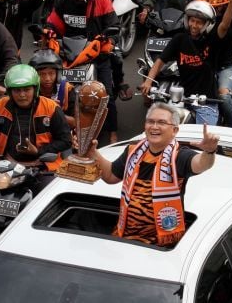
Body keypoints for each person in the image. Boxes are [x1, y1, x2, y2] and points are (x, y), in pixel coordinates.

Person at [0, 64, 71, 266]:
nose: (22, 94)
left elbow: (65, 141)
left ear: (35, 89)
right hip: (8, 166)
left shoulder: (51, 108)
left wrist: (38, 152)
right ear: (10, 91)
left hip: (40, 167)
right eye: (17, 90)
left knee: (44, 209)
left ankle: (41, 251)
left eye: (26, 89)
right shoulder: (0, 106)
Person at [87, 103, 219, 247]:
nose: (154, 126)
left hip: (158, 246)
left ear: (174, 130)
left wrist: (209, 151)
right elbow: (111, 176)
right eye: (150, 121)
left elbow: (201, 164)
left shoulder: (179, 156)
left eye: (161, 122)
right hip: (123, 237)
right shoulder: (133, 151)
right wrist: (93, 152)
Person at [46, 0, 121, 143]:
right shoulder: (62, 2)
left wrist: (107, 38)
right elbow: (53, 23)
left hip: (97, 54)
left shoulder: (102, 1)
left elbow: (114, 26)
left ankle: (112, 132)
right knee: (56, 90)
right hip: (69, 55)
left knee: (106, 95)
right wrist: (48, 31)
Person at [141, 0, 220, 125]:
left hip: (206, 102)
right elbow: (160, 61)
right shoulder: (179, 39)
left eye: (199, 22)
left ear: (207, 25)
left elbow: (225, 26)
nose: (194, 25)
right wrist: (148, 81)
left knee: (204, 140)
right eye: (192, 20)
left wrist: (231, 3)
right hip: (184, 98)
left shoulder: (211, 41)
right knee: (165, 127)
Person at [205, 0, 232, 127]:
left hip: (226, 68)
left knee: (223, 98)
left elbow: (224, 25)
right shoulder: (201, 16)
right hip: (204, 67)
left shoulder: (230, 14)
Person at [28, 49, 76, 128]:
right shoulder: (29, 91)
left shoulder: (67, 90)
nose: (47, 78)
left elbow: (75, 122)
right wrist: (43, 107)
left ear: (58, 74)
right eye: (42, 74)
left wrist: (55, 111)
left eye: (51, 73)